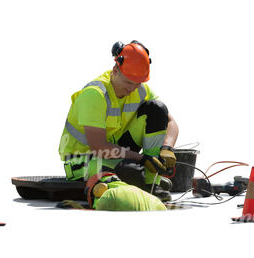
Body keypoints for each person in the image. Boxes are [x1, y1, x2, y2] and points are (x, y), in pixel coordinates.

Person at [58, 40, 179, 202]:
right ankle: (133, 180)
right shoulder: (94, 94)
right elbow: (99, 147)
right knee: (132, 175)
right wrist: (142, 159)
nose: (132, 89)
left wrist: (167, 148)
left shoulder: (140, 89)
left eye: (137, 84)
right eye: (128, 82)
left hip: (115, 153)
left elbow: (171, 122)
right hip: (84, 160)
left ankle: (152, 182)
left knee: (157, 108)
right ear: (115, 70)